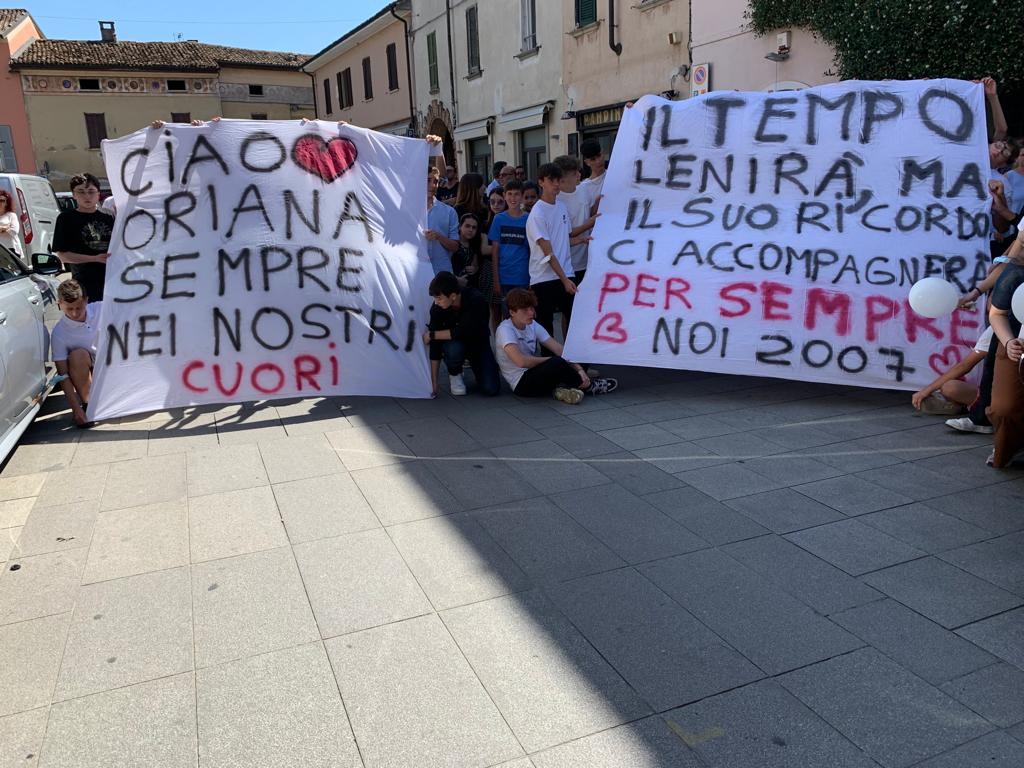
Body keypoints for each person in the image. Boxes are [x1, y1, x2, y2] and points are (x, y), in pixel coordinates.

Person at [495, 288, 617, 404]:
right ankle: (589, 387)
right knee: (557, 362)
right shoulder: (505, 330)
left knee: (576, 353)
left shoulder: (532, 324)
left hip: (535, 374)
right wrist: (553, 360)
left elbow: (558, 349)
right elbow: (521, 362)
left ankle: (567, 386)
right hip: (521, 384)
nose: (531, 313)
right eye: (525, 310)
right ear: (512, 312)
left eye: (531, 308)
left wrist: (579, 368)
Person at [526, 162, 590, 341]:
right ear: (541, 182)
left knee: (575, 322)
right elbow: (548, 253)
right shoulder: (537, 213)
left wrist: (582, 240)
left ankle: (572, 358)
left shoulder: (561, 206)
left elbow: (564, 238)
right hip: (544, 279)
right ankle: (550, 359)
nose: (556, 184)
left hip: (565, 274)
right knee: (546, 331)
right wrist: (565, 280)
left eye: (558, 180)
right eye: (551, 180)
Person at [422, 271, 500, 397]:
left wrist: (432, 335)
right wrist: (434, 382)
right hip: (455, 345)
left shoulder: (476, 300)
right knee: (454, 348)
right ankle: (454, 372)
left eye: (439, 298)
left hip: (478, 343)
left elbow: (465, 331)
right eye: (435, 298)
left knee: (491, 388)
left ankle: (479, 368)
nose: (436, 302)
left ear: (453, 296)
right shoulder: (437, 307)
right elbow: (435, 347)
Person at [984, 236, 1024, 467]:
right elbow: (997, 314)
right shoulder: (1015, 272)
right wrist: (1008, 342)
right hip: (1016, 344)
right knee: (1004, 407)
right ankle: (1006, 446)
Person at [53, 173, 114, 301]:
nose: (87, 196)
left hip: (113, 282)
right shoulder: (66, 219)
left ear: (98, 194)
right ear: (74, 195)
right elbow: (63, 256)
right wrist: (94, 258)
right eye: (81, 191)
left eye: (91, 191)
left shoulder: (109, 216)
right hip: (84, 285)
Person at [912, 326, 993, 418]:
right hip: (993, 393)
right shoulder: (994, 330)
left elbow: (965, 366)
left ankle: (973, 408)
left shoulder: (996, 329)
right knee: (951, 387)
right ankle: (967, 406)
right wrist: (927, 390)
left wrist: (926, 390)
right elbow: (965, 366)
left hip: (1000, 396)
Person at [50, 279, 99, 427]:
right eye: (69, 309)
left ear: (86, 301)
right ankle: (88, 405)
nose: (75, 313)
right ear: (60, 304)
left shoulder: (101, 308)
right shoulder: (59, 333)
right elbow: (62, 374)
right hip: (89, 368)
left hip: (112, 363)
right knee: (77, 356)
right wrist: (75, 408)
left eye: (79, 307)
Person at [553, 155, 600, 287]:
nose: (579, 175)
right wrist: (589, 224)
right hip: (567, 264)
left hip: (587, 259)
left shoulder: (584, 189)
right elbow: (567, 233)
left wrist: (598, 203)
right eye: (574, 174)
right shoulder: (556, 201)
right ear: (562, 179)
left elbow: (589, 213)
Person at [489, 180, 531, 316]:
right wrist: (496, 279)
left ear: (522, 196)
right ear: (504, 196)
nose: (513, 198)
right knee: (508, 316)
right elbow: (495, 251)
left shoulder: (529, 219)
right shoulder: (498, 219)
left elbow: (532, 250)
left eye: (517, 194)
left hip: (523, 276)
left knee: (524, 315)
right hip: (504, 277)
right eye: (510, 194)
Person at [425, 166, 460, 275]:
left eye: (435, 181)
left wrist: (438, 236)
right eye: (428, 180)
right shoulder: (409, 211)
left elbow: (455, 247)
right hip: (415, 274)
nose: (433, 185)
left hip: (442, 272)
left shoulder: (449, 212)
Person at [451, 212, 481, 286]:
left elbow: (475, 265)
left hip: (469, 285)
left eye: (474, 227)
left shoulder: (474, 244)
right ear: (460, 227)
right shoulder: (452, 243)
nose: (471, 230)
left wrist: (475, 268)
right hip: (451, 284)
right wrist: (456, 279)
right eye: (467, 226)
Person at [0, 191, 21, 260]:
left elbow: (14, 231)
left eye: (2, 200)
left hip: (11, 250)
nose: (0, 202)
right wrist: (5, 227)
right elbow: (10, 230)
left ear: (6, 203)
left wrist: (2, 229)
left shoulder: (11, 215)